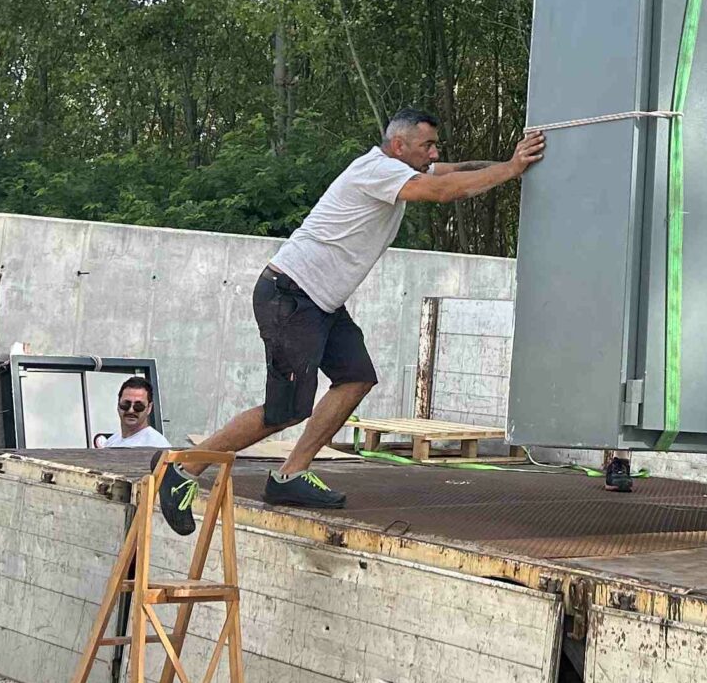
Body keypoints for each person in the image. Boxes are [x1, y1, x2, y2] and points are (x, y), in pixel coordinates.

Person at [164, 109, 544, 526]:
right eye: (427, 146)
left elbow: (457, 171)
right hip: (291, 294)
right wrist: (510, 169)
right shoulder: (378, 170)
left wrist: (516, 162)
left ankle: (290, 475)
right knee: (285, 410)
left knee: (356, 377)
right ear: (398, 146)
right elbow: (442, 191)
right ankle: (182, 469)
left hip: (321, 302)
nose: (434, 154)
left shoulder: (405, 165)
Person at [100, 374, 167, 448]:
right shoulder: (111, 442)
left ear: (149, 408)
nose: (131, 410)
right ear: (118, 404)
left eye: (138, 406)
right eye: (126, 404)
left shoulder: (158, 445)